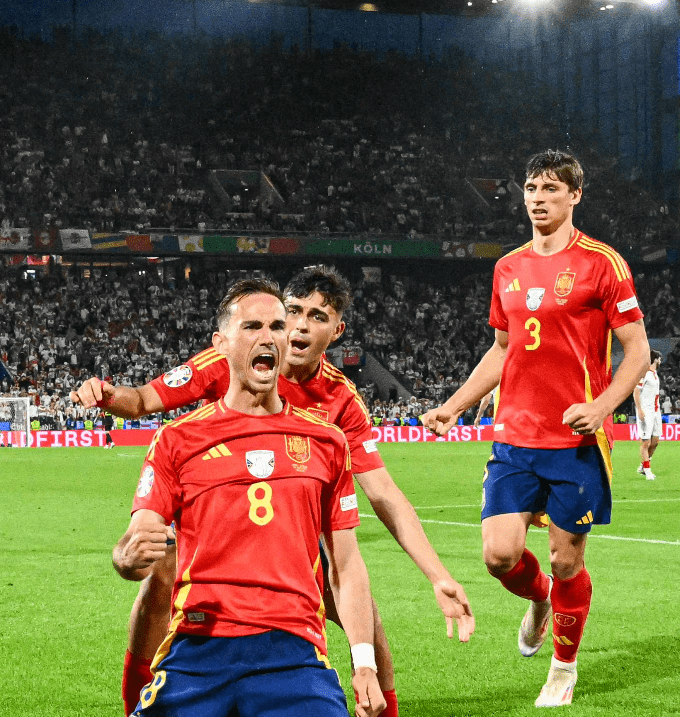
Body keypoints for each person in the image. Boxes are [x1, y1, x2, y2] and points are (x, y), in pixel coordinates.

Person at [75, 265, 474, 717]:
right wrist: (109, 396)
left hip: (291, 558)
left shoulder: (338, 406)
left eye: (313, 318)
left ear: (337, 331)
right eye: (293, 312)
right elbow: (146, 400)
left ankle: (379, 704)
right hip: (215, 547)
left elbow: (383, 495)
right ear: (225, 341)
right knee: (159, 566)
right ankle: (139, 695)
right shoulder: (221, 368)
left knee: (366, 621)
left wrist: (437, 574)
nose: (298, 326)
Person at [422, 150, 650, 707]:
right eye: (530, 186)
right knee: (499, 555)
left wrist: (601, 407)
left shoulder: (603, 263)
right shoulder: (508, 267)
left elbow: (638, 352)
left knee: (567, 559)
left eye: (551, 187)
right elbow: (502, 350)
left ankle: (563, 668)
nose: (538, 196)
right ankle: (540, 601)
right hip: (515, 435)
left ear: (575, 195)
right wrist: (454, 403)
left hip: (575, 440)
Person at [112, 279, 382, 717]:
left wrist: (364, 664)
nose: (269, 337)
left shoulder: (326, 442)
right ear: (221, 344)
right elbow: (139, 533)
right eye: (252, 326)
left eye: (277, 326)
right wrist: (127, 557)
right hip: (198, 648)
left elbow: (347, 565)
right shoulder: (177, 440)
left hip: (293, 652)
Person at [635, 350, 663, 480]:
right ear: (655, 359)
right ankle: (647, 471)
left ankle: (643, 465)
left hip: (656, 410)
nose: (661, 360)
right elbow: (635, 390)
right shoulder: (644, 373)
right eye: (659, 358)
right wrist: (639, 409)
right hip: (646, 410)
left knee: (655, 441)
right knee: (645, 443)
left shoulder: (655, 374)